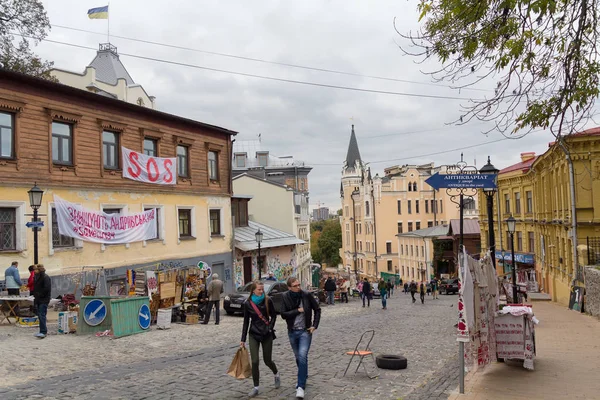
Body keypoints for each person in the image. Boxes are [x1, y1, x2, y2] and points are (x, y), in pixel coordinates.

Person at [280, 277, 321, 399]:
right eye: (295, 285)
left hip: (305, 331)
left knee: (303, 356)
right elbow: (283, 314)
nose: (298, 287)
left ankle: (300, 387)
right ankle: (303, 375)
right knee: (298, 358)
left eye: (299, 284)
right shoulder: (285, 296)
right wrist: (297, 310)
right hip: (292, 332)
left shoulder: (306, 295)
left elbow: (317, 310)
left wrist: (314, 325)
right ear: (289, 287)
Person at [240, 281, 280, 397]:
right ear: (253, 291)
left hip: (266, 334)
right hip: (253, 334)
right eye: (259, 289)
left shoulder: (268, 300)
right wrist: (242, 339)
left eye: (262, 289)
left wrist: (270, 328)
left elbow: (274, 316)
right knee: (255, 361)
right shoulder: (248, 303)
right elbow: (246, 321)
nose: (261, 291)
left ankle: (276, 373)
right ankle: (256, 387)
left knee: (267, 360)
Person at [33, 264, 51, 339]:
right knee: (40, 315)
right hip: (39, 298)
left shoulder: (45, 277)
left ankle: (43, 331)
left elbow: (46, 288)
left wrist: (39, 294)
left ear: (39, 270)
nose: (34, 271)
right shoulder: (37, 277)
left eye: (35, 269)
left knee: (42, 314)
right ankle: (42, 331)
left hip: (43, 299)